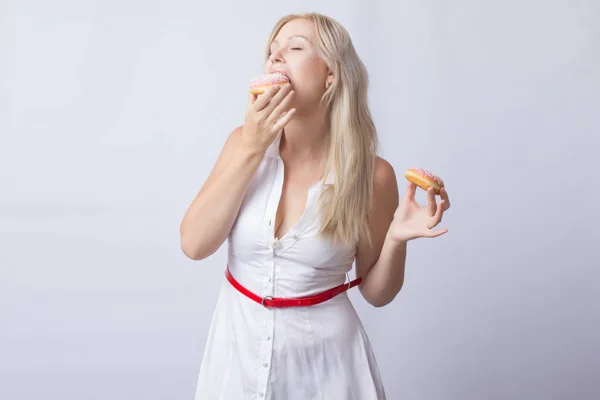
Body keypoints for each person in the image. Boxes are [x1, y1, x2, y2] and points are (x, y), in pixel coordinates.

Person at [180, 12, 451, 400]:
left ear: (332, 74)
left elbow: (377, 293)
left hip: (328, 369)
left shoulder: (373, 176)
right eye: (272, 52)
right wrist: (253, 147)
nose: (275, 58)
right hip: (236, 358)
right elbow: (194, 244)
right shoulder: (242, 144)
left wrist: (395, 239)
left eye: (294, 48)